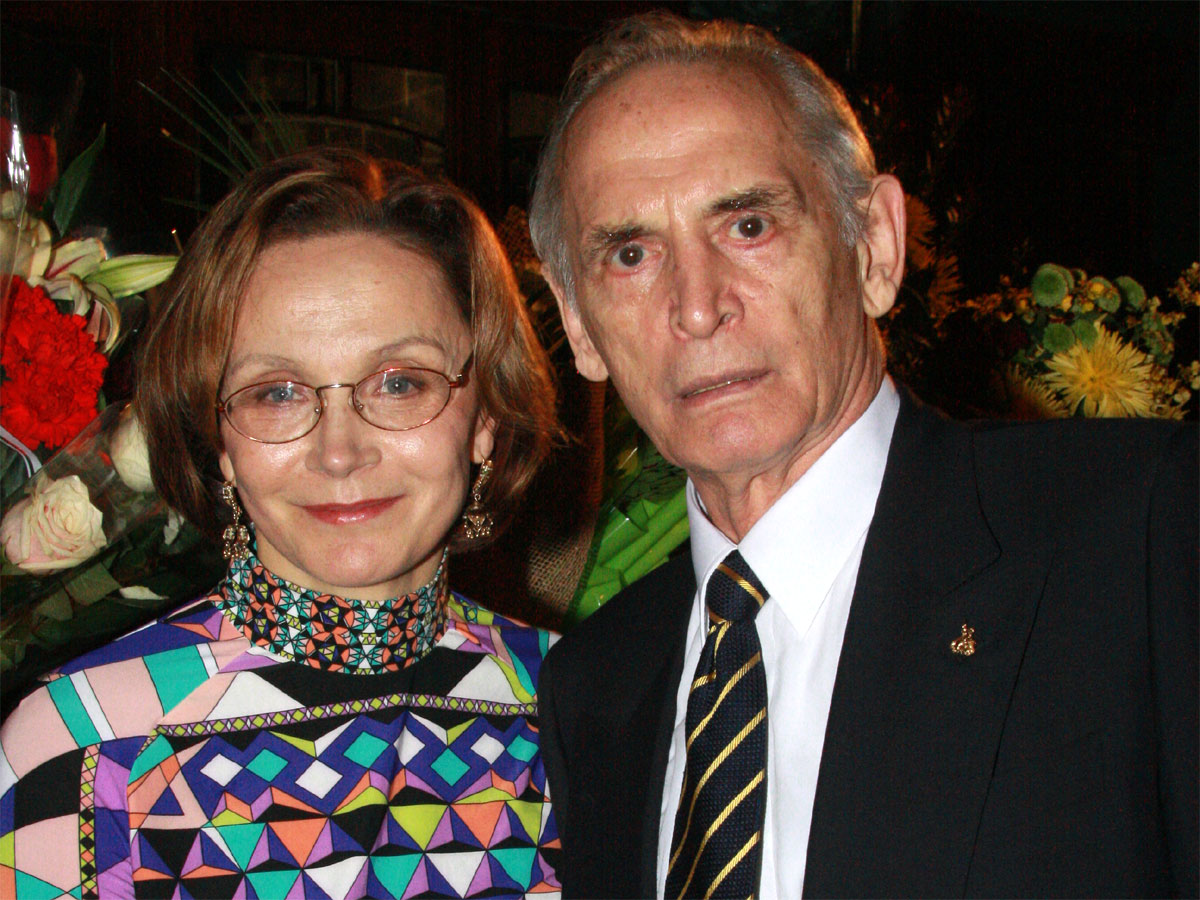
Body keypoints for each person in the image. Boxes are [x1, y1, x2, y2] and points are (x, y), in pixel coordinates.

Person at [528, 12, 1198, 899]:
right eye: (630, 253)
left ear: (876, 245)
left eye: (749, 225)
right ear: (578, 325)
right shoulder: (595, 685)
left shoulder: (1138, 537)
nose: (696, 306)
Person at [0, 149, 562, 899]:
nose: (340, 452)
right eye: (278, 393)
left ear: (485, 414)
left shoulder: (583, 704)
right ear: (219, 441)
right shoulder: (85, 740)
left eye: (399, 382)